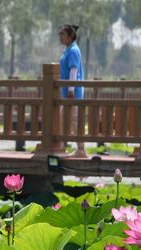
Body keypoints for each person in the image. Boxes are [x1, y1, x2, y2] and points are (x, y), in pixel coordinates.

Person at [58, 24, 86, 158]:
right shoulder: (69, 50)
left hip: (72, 93)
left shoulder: (74, 50)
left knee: (74, 120)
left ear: (70, 36)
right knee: (62, 118)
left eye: (62, 34)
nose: (60, 36)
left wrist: (70, 89)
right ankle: (61, 146)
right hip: (67, 92)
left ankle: (81, 149)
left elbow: (73, 70)